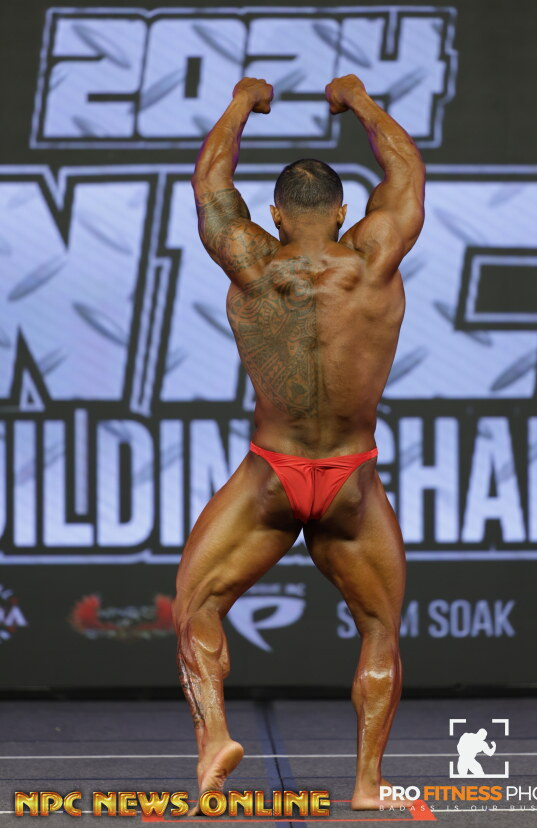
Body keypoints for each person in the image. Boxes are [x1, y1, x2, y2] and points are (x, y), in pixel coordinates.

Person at [172, 73, 425, 812]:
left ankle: (215, 739)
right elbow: (406, 174)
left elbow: (210, 183)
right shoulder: (374, 257)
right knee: (378, 628)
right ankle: (368, 784)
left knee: (196, 606)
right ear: (345, 212)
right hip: (351, 480)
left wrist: (241, 103)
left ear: (276, 215)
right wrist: (360, 101)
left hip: (271, 477)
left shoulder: (253, 261)